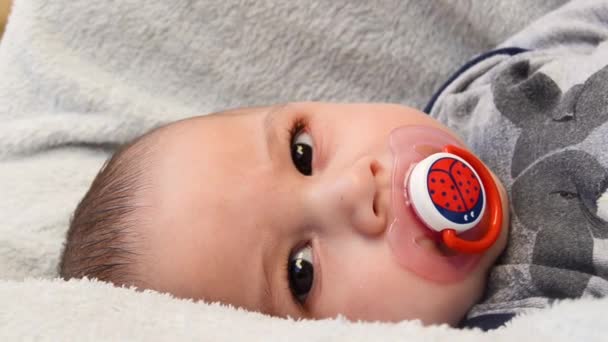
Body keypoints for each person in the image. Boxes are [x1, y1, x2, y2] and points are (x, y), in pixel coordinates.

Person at [59, 0, 608, 330]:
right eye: (302, 273)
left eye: (302, 154)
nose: (351, 191)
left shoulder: (477, 92)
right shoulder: (524, 319)